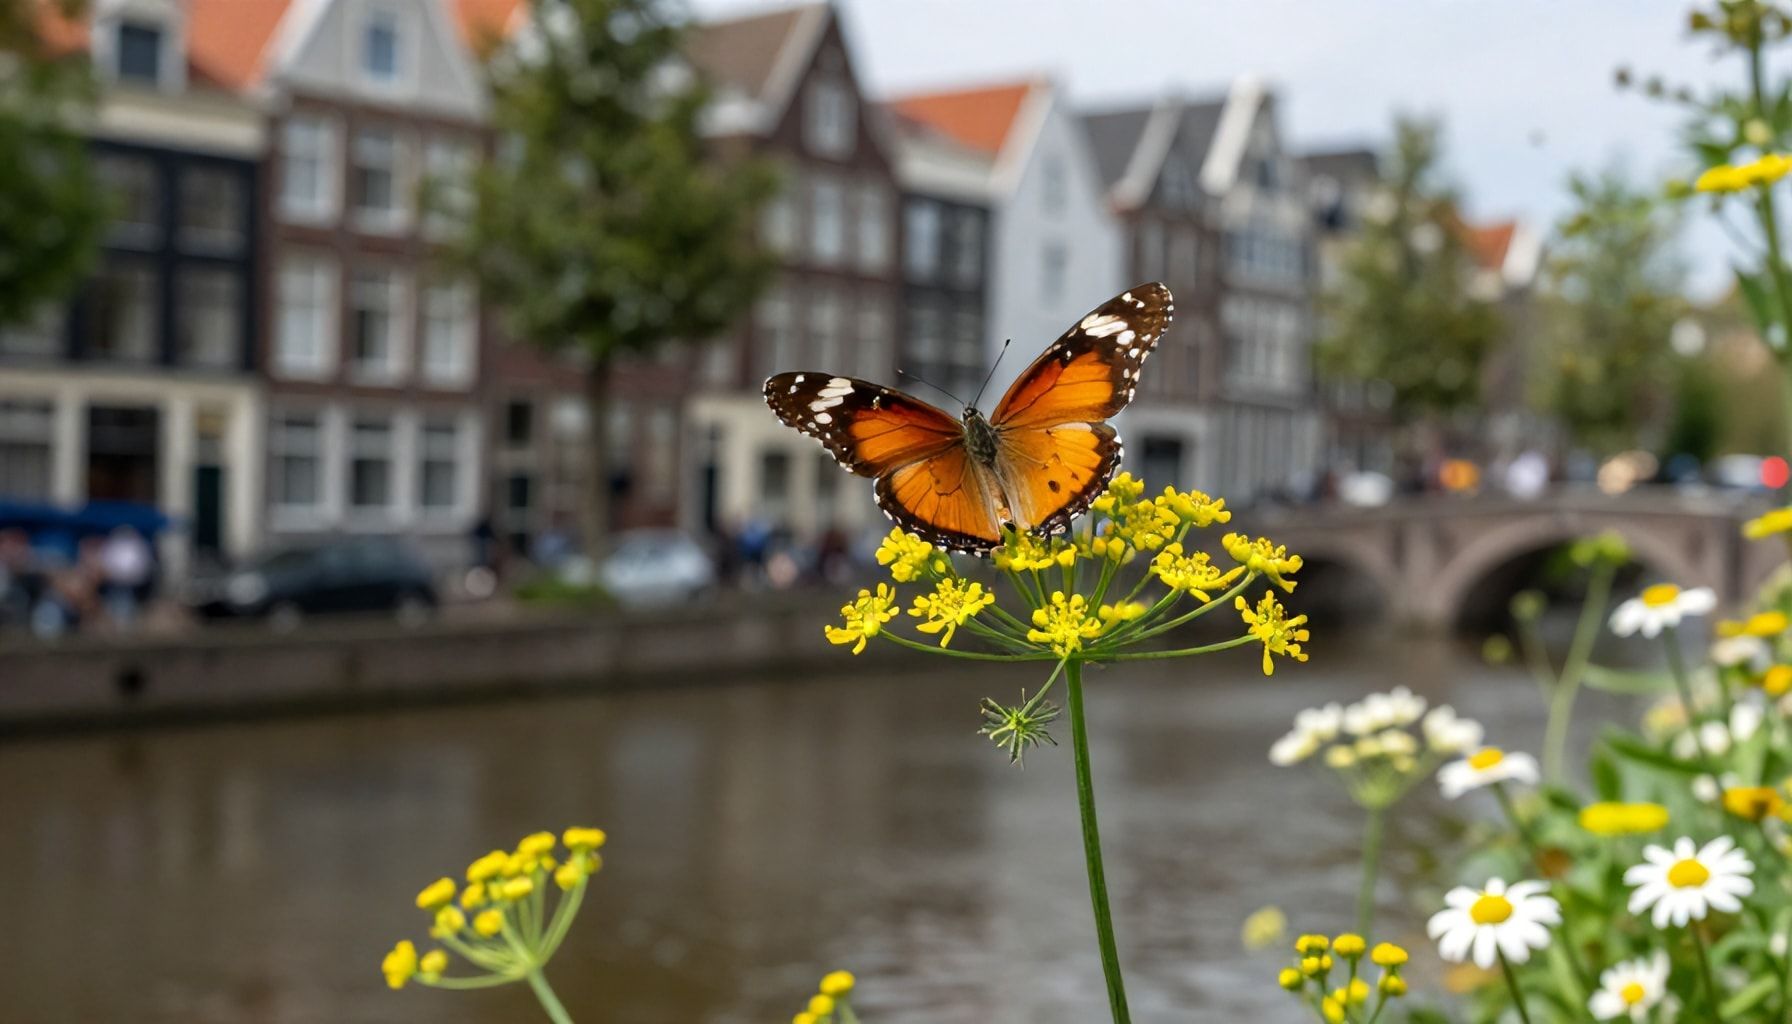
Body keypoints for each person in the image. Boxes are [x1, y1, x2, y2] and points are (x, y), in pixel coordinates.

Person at [99, 526, 153, 631]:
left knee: (128, 604)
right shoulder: (112, 546)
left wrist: (130, 577)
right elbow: (106, 564)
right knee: (116, 602)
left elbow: (143, 567)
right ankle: (118, 625)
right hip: (115, 583)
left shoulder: (139, 546)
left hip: (133, 585)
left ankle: (126, 625)